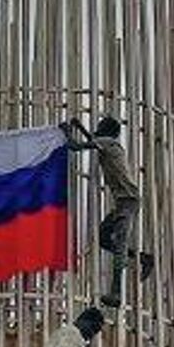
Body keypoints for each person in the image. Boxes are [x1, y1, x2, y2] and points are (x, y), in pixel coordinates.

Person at [59, 115, 155, 309]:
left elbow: (75, 147)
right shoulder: (108, 144)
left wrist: (66, 131)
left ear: (105, 130)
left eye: (100, 126)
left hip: (128, 200)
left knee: (119, 244)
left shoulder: (108, 143)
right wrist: (80, 127)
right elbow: (92, 141)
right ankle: (143, 258)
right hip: (124, 202)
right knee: (103, 238)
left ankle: (116, 293)